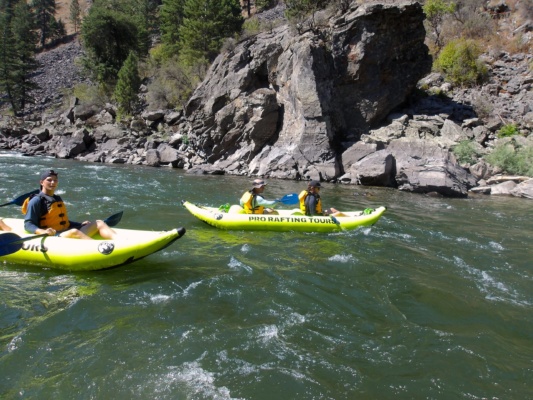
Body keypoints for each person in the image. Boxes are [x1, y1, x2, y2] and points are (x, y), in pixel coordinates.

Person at [23, 170, 117, 240]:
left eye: (55, 180)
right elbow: (28, 224)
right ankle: (102, 249)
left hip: (64, 232)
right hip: (53, 237)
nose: (53, 182)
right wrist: (42, 231)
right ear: (41, 182)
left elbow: (63, 221)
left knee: (99, 222)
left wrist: (80, 224)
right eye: (49, 180)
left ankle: (121, 242)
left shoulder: (56, 198)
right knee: (74, 232)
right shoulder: (36, 200)